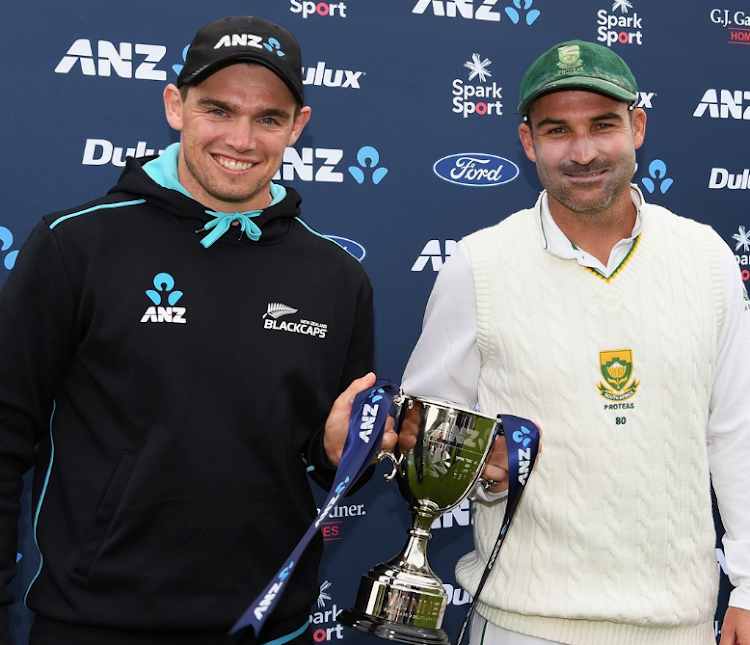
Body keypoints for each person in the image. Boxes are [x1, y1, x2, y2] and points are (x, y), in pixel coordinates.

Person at [0, 16, 398, 645]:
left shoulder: (337, 278)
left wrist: (338, 452)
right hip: (95, 625)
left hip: (271, 626)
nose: (241, 138)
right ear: (175, 106)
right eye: (217, 109)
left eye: (268, 118)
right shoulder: (76, 244)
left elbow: (331, 465)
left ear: (297, 126)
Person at [401, 40, 750, 645]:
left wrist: (748, 583)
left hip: (679, 626)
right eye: (558, 130)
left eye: (603, 125)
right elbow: (421, 438)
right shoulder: (478, 265)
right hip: (520, 625)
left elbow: (737, 430)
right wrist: (478, 471)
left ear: (637, 128)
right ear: (529, 141)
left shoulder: (705, 257)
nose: (583, 152)